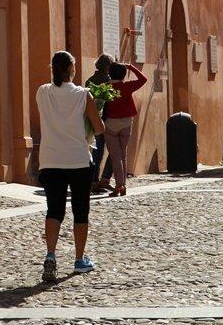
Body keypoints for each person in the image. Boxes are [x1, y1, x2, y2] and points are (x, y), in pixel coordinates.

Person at [36, 51, 105, 282]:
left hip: (50, 159)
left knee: (54, 210)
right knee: (80, 210)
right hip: (77, 160)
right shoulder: (83, 95)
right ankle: (79, 259)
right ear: (72, 70)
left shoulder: (42, 92)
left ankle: (51, 255)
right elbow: (99, 127)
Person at [105, 62, 147, 197]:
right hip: (126, 122)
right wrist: (130, 67)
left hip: (110, 123)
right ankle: (123, 185)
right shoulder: (126, 86)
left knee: (115, 156)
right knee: (123, 153)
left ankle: (119, 184)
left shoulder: (106, 88)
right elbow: (143, 79)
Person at [85, 54, 114, 193]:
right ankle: (101, 179)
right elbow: (111, 100)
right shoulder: (108, 81)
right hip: (105, 119)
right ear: (108, 67)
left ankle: (93, 180)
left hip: (91, 119)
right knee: (111, 150)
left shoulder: (89, 80)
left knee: (96, 150)